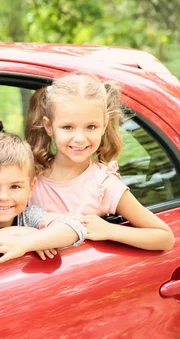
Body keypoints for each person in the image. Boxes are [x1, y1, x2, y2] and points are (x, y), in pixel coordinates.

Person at [25, 73, 174, 251]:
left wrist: (109, 230)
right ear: (49, 127)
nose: (79, 138)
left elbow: (164, 237)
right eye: (67, 127)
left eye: (91, 127)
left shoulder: (103, 186)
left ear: (104, 126)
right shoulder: (31, 174)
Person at [0, 132, 86, 264]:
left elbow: (75, 228)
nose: (3, 197)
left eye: (14, 187)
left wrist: (27, 242)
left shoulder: (29, 217)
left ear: (31, 188)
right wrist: (14, 232)